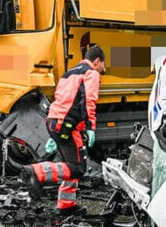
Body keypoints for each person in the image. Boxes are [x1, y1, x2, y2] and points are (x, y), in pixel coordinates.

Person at [21, 45, 105, 217]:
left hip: (55, 121)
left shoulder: (69, 73)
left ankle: (66, 204)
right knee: (77, 167)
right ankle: (36, 172)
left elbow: (63, 100)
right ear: (97, 61)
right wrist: (91, 127)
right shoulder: (91, 73)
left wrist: (55, 134)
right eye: (103, 65)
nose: (103, 69)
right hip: (66, 124)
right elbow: (88, 101)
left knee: (72, 162)